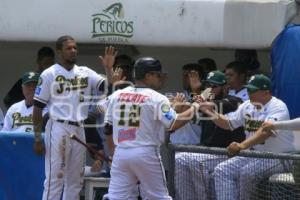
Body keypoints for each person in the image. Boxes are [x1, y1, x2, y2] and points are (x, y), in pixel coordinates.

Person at [102, 57, 203, 200]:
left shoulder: (117, 95)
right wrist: (195, 107)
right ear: (148, 75)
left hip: (121, 153)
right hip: (146, 153)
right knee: (158, 197)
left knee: (117, 197)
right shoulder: (156, 97)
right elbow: (173, 123)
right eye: (158, 75)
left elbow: (107, 126)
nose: (161, 78)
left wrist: (112, 153)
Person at [32, 35, 113, 200]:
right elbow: (37, 108)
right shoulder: (49, 74)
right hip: (58, 127)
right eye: (69, 48)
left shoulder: (85, 72)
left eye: (75, 47)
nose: (73, 51)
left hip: (79, 127)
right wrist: (37, 138)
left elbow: (107, 85)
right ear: (59, 51)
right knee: (56, 178)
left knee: (76, 180)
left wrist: (108, 69)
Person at [194, 74, 295, 200]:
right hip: (254, 155)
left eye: (253, 90)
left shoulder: (278, 107)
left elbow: (266, 132)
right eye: (248, 89)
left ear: (265, 92)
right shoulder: (247, 105)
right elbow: (227, 123)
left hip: (278, 157)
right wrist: (208, 111)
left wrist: (242, 146)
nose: (249, 92)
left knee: (247, 173)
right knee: (222, 170)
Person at [175, 71, 245, 200]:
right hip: (207, 152)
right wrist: (180, 106)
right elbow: (183, 108)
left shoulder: (235, 101)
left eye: (214, 86)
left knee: (197, 163)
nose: (210, 89)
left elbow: (209, 105)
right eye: (208, 85)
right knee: (178, 159)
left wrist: (198, 99)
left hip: (227, 153)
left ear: (225, 87)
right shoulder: (202, 101)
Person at [170, 63, 204, 145]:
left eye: (188, 76)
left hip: (197, 147)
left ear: (199, 78)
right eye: (183, 76)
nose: (184, 79)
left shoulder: (207, 98)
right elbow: (167, 121)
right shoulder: (175, 96)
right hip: (175, 146)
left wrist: (196, 90)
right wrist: (175, 108)